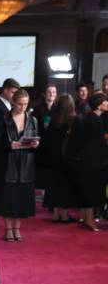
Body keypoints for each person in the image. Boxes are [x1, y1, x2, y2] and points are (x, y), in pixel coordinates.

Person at [0, 88, 39, 241]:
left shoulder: (33, 120)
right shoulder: (3, 119)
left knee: (21, 197)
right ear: (13, 102)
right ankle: (8, 229)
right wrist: (8, 145)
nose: (23, 107)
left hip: (25, 163)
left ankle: (17, 228)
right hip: (8, 163)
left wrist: (35, 144)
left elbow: (35, 139)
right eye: (20, 104)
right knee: (8, 197)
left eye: (25, 104)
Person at [42, 94, 79, 222]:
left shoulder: (52, 120)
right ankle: (64, 215)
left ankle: (56, 214)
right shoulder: (74, 121)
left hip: (53, 159)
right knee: (66, 187)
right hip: (67, 159)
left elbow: (47, 140)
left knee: (54, 186)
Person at [77, 92, 108, 231]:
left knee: (89, 191)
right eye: (106, 101)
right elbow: (98, 143)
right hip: (92, 161)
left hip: (90, 159)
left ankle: (87, 220)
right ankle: (90, 222)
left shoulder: (93, 117)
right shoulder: (94, 119)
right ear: (99, 105)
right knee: (91, 191)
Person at [33, 83, 58, 193]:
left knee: (52, 170)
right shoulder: (37, 109)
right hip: (41, 143)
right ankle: (42, 192)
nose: (51, 94)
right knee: (41, 169)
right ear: (44, 94)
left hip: (53, 143)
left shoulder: (58, 109)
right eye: (49, 92)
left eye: (54, 92)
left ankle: (49, 192)